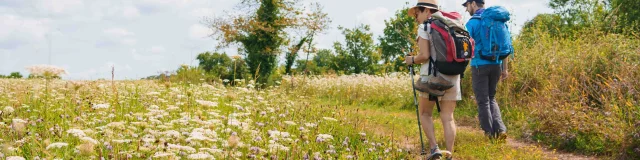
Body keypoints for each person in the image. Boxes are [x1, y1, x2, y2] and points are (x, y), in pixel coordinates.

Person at [405, 0, 459, 159]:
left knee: (425, 113)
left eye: (417, 13)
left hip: (432, 78)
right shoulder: (453, 23)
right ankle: (449, 154)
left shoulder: (425, 27)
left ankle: (434, 149)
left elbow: (424, 56)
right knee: (448, 117)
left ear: (427, 11)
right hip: (453, 76)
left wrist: (411, 60)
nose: (416, 18)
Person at [463, 0, 509, 140]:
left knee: (483, 100)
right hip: (496, 64)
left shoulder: (472, 23)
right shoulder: (498, 21)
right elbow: (505, 46)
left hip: (479, 66)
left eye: (467, 6)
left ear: (473, 4)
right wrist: (504, 69)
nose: (466, 10)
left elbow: (465, 47)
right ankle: (500, 130)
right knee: (491, 97)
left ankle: (489, 134)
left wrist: (461, 68)